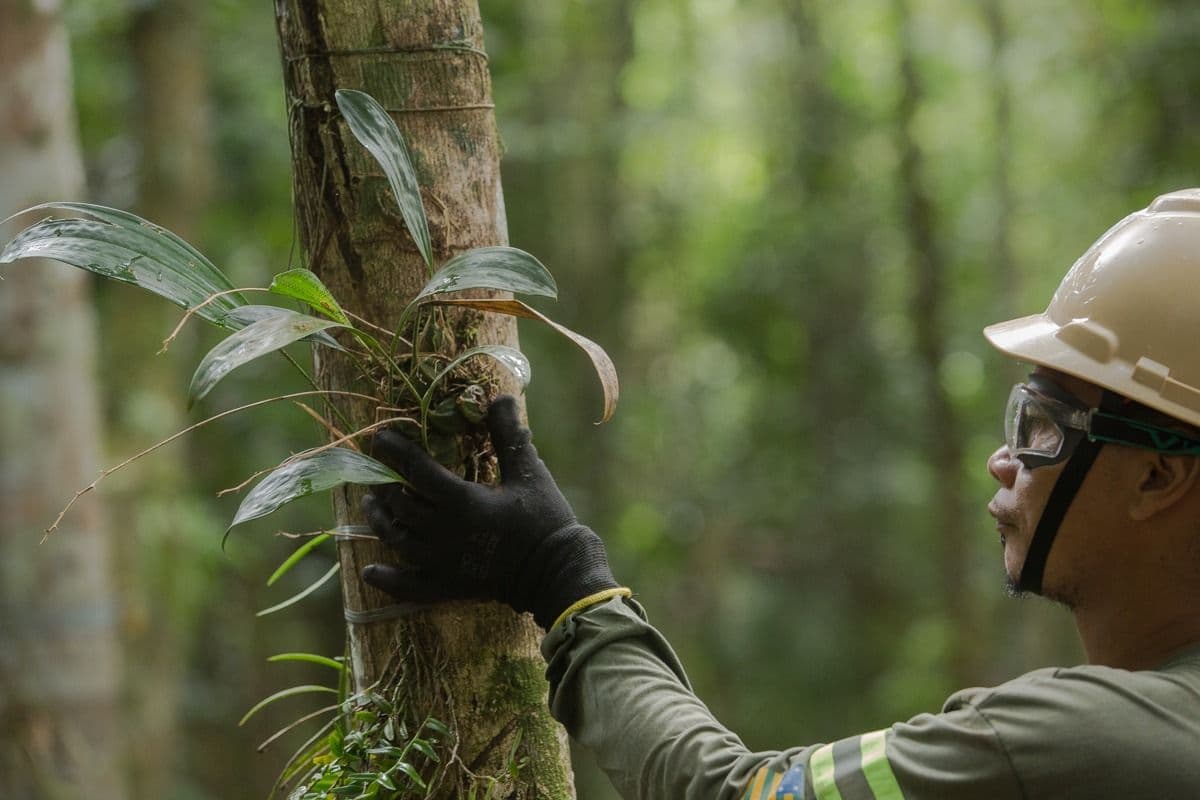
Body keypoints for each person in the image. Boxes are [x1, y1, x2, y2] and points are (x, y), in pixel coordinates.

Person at [359, 188, 1200, 799]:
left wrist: (563, 582)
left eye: (1044, 425)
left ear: (1160, 475)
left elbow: (740, 796)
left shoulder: (1085, 743)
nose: (1003, 460)